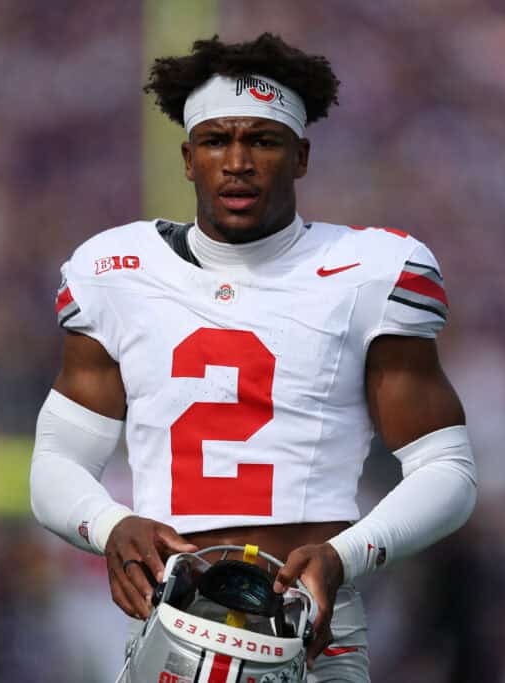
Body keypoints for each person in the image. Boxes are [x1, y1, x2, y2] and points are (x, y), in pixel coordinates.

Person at [30, 33, 477, 682]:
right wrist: (109, 525)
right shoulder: (115, 272)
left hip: (308, 627)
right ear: (188, 159)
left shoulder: (371, 271)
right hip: (170, 624)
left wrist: (344, 555)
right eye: (217, 141)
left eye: (262, 141)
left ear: (301, 155)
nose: (237, 162)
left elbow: (448, 469)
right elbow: (56, 461)